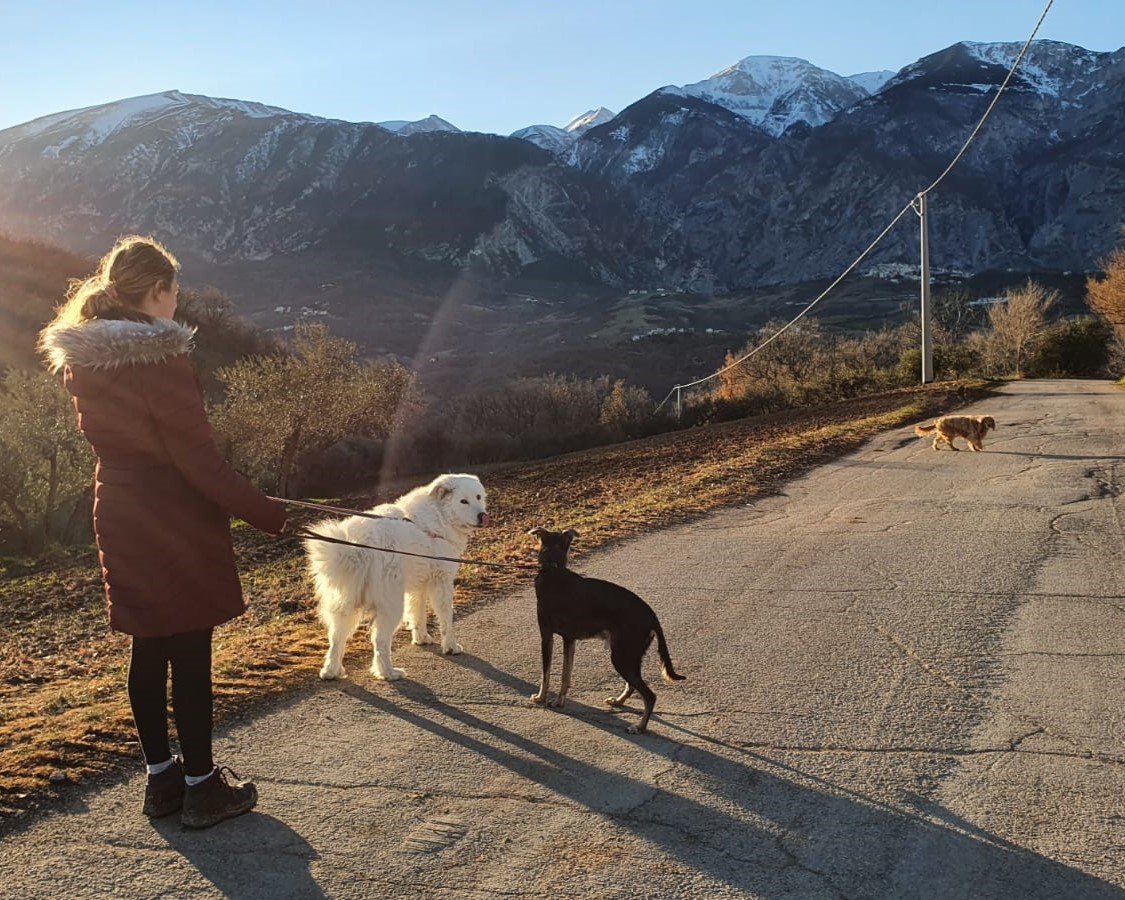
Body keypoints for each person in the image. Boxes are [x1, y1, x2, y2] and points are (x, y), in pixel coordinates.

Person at [39, 235, 288, 829]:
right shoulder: (161, 357)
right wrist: (270, 513)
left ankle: (162, 781)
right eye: (174, 291)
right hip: (172, 519)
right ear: (157, 292)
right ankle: (204, 788)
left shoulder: (86, 358)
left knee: (147, 646)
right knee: (190, 652)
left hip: (120, 511)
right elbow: (198, 461)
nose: (177, 303)